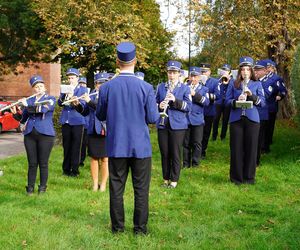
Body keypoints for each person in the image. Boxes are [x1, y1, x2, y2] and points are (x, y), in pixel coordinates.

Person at [96, 42, 159, 235]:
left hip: (117, 145)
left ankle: (118, 228)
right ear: (135, 61)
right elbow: (152, 118)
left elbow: (99, 115)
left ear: (117, 62)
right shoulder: (146, 87)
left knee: (116, 188)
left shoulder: (107, 87)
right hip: (140, 146)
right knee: (141, 190)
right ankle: (140, 229)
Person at [11, 75, 56, 195]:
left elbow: (42, 110)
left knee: (43, 163)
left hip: (46, 135)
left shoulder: (50, 99)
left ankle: (42, 188)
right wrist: (16, 114)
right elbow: (23, 119)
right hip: (30, 134)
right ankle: (30, 188)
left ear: (44, 87)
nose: (39, 88)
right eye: (36, 87)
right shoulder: (30, 100)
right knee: (32, 163)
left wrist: (26, 105)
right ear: (33, 89)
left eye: (41, 86)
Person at [225, 56, 265, 184]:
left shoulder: (257, 84)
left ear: (251, 71)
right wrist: (237, 102)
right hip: (236, 120)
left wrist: (251, 95)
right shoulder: (233, 83)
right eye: (243, 69)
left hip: (252, 120)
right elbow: (226, 101)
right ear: (240, 71)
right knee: (236, 149)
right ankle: (236, 178)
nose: (245, 72)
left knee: (251, 149)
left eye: (248, 69)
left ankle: (249, 178)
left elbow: (262, 103)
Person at [156, 60, 191, 188]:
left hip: (178, 125)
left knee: (175, 153)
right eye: (169, 72)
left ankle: (174, 180)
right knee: (164, 152)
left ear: (179, 74)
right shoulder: (161, 87)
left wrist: (175, 100)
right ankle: (165, 179)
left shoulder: (185, 88)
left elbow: (188, 107)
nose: (171, 75)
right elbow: (154, 103)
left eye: (174, 72)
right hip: (163, 123)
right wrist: (159, 105)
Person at [73, 73, 109, 192]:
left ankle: (103, 184)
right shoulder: (91, 94)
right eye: (99, 83)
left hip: (105, 129)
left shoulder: (110, 95)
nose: (101, 85)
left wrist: (88, 101)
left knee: (104, 159)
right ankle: (94, 184)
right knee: (93, 158)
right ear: (96, 84)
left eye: (103, 83)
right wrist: (77, 105)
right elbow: (85, 112)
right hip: (93, 129)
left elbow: (103, 110)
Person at [57, 68, 88, 177]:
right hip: (66, 120)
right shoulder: (64, 89)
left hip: (77, 120)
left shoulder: (82, 90)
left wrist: (76, 102)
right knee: (66, 146)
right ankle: (65, 169)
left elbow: (83, 106)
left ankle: (75, 170)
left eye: (72, 78)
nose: (70, 80)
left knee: (76, 146)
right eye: (69, 78)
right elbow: (60, 103)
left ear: (77, 78)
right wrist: (65, 95)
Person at [183, 66, 209, 168]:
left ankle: (195, 163)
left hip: (197, 120)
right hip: (185, 119)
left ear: (199, 77)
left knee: (197, 143)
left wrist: (195, 95)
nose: (193, 79)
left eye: (195, 76)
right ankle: (185, 163)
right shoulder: (184, 87)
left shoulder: (204, 89)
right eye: (192, 76)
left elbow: (206, 102)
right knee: (185, 143)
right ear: (189, 77)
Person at [264, 59, 287, 149]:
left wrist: (280, 96)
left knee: (269, 126)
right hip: (261, 106)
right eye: (267, 67)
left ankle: (267, 143)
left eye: (270, 67)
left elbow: (283, 90)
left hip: (271, 106)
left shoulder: (277, 78)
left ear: (273, 69)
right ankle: (262, 143)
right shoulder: (260, 78)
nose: (268, 69)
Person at [199, 63, 220, 158]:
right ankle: (196, 150)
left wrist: (206, 95)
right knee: (196, 132)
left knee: (206, 132)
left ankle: (203, 151)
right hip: (197, 111)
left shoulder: (215, 82)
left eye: (205, 71)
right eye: (202, 71)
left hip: (209, 110)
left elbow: (218, 95)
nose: (203, 73)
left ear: (210, 72)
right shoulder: (196, 80)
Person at [253, 60, 269, 166]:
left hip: (261, 114)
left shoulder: (268, 82)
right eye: (255, 70)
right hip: (251, 112)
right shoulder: (253, 81)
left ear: (264, 71)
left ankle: (256, 161)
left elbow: (267, 96)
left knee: (258, 139)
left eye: (258, 70)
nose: (256, 72)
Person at [212, 64, 233, 141]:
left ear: (229, 71)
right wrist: (221, 81)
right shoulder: (218, 80)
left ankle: (223, 137)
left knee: (225, 120)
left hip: (227, 102)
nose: (225, 72)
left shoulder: (232, 80)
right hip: (218, 102)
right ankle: (214, 136)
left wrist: (229, 80)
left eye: (227, 70)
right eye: (224, 70)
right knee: (216, 119)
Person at [78, 77, 89, 166]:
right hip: (82, 122)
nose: (82, 85)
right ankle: (79, 160)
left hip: (87, 123)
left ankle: (82, 159)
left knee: (84, 143)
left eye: (83, 84)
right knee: (80, 143)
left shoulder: (88, 94)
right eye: (80, 83)